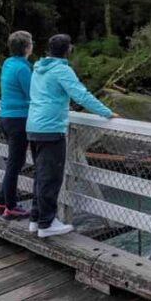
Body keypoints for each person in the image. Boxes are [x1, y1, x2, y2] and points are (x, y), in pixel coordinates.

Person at [26, 34, 119, 238]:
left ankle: (36, 219)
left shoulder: (38, 69)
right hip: (51, 129)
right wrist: (107, 112)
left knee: (41, 174)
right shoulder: (62, 70)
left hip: (33, 126)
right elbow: (81, 95)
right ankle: (47, 223)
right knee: (51, 177)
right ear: (68, 50)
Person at [0, 31, 33, 220]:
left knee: (13, 162)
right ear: (27, 47)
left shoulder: (8, 64)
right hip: (19, 120)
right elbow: (31, 94)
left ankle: (2, 202)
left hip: (6, 117)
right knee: (15, 164)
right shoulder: (23, 69)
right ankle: (11, 207)